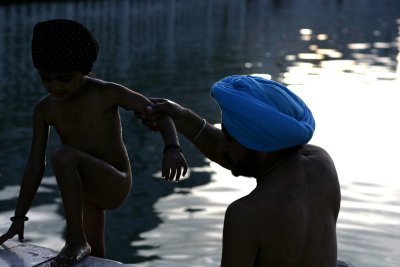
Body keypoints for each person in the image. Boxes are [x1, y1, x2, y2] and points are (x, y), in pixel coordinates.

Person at [0, 19, 187, 267]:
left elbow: (159, 112)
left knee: (63, 156)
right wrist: (19, 218)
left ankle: (75, 240)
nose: (55, 86)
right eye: (46, 79)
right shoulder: (45, 109)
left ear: (84, 71)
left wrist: (172, 148)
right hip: (84, 189)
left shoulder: (107, 93)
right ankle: (84, 244)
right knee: (97, 257)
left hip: (115, 181)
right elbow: (35, 166)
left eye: (64, 79)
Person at [138, 75, 343, 267]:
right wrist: (183, 118)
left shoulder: (246, 214)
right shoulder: (322, 166)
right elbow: (242, 156)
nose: (222, 146)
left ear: (259, 146)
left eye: (230, 139)